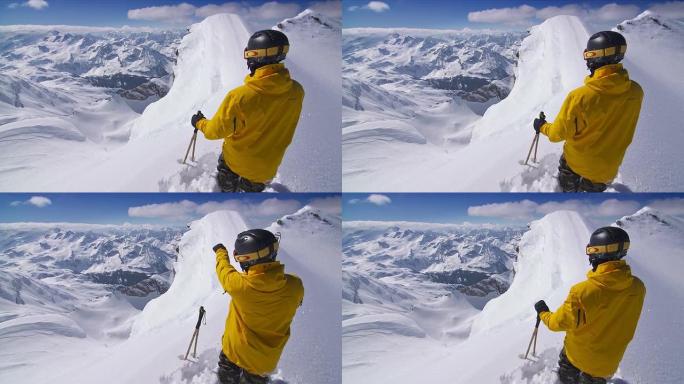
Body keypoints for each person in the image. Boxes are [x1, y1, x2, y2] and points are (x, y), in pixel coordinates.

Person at [191, 30, 305, 192]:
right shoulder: (297, 91)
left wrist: (199, 122)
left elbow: (214, 132)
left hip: (235, 161)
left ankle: (227, 189)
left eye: (249, 55)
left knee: (227, 179)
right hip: (266, 168)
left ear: (256, 57)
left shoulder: (240, 97)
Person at [533, 31, 644, 192]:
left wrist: (542, 126)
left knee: (568, 190)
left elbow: (557, 134)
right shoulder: (636, 91)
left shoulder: (580, 97)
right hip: (606, 170)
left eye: (588, 55)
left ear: (595, 57)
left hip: (575, 163)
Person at [534, 226, 646, 384]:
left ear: (597, 253)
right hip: (607, 364)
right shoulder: (638, 287)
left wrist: (543, 312)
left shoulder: (582, 292)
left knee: (567, 371)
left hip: (576, 357)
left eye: (591, 250)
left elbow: (556, 323)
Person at [213, 229, 304, 383]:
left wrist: (220, 251)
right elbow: (297, 302)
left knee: (227, 378)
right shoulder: (295, 285)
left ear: (245, 259)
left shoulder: (239, 286)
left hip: (235, 350)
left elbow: (223, 269)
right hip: (265, 359)